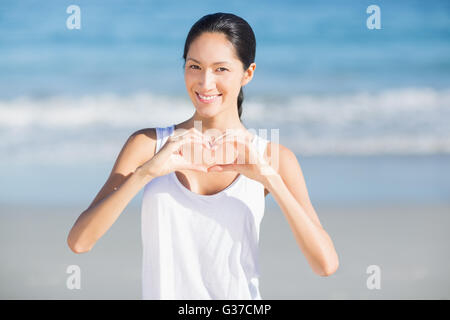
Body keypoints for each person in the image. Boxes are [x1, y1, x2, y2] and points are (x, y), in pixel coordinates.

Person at [67, 12, 339, 300]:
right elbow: (80, 242)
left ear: (248, 73)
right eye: (195, 66)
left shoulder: (274, 157)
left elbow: (325, 265)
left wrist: (271, 181)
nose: (205, 82)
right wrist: (145, 173)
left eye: (221, 69)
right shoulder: (148, 145)